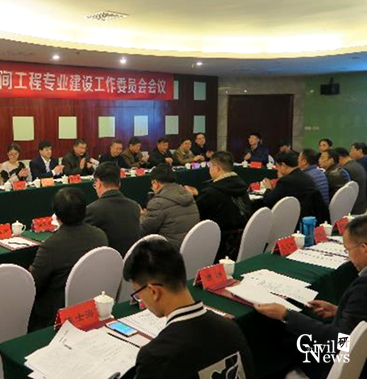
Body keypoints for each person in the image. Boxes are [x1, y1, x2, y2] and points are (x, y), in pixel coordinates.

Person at [124, 236, 255, 379]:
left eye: (138, 293)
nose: (140, 298)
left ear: (153, 291)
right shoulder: (230, 328)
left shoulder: (157, 356)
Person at [255, 215, 367, 379]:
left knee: (284, 342)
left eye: (348, 250)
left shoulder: (363, 287)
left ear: (364, 248)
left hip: (343, 362)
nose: (348, 258)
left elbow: (340, 340)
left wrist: (286, 315)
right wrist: (338, 310)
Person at [29, 187, 108, 331]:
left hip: (57, 314)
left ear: (57, 215)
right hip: (92, 305)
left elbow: (34, 285)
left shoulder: (51, 246)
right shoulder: (100, 235)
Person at [184, 151, 251, 261]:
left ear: (217, 168)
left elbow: (196, 215)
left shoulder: (211, 192)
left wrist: (193, 198)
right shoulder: (241, 186)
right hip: (241, 242)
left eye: (210, 167)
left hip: (216, 245)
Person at [85, 162, 141, 257]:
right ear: (119, 184)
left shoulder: (92, 210)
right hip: (132, 261)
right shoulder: (134, 206)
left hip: (107, 262)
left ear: (98, 183)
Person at [140, 163, 199, 249]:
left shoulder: (158, 203)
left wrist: (141, 216)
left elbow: (143, 231)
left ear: (155, 183)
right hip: (192, 247)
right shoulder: (188, 195)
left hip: (169, 250)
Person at [260, 151, 328, 223]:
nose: (276, 169)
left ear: (283, 165)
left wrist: (268, 188)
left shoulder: (286, 181)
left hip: (294, 220)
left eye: (277, 166)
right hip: (311, 217)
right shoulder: (306, 176)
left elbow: (268, 200)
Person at [336, 147, 367, 214]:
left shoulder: (345, 170)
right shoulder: (358, 165)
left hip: (353, 209)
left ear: (339, 157)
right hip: (361, 206)